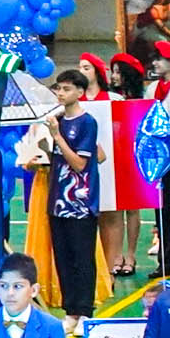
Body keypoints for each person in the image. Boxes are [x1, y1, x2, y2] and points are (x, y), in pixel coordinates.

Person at [35, 67, 105, 318]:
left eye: (66, 89)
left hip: (81, 203)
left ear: (80, 92)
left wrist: (57, 137)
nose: (61, 93)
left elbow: (79, 164)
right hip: (57, 202)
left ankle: (85, 310)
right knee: (63, 260)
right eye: (58, 88)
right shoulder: (58, 120)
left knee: (82, 259)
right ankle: (70, 312)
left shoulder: (87, 122)